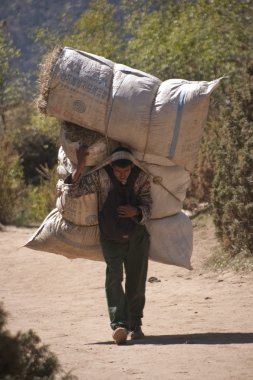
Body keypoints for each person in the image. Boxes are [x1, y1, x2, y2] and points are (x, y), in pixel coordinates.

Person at [66, 145, 152, 344]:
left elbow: (148, 205)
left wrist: (136, 212)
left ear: (132, 167)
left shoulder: (141, 177)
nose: (123, 175)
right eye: (118, 171)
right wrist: (80, 165)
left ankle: (136, 325)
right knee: (113, 279)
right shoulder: (100, 177)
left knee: (136, 281)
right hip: (110, 238)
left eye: (126, 171)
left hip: (137, 237)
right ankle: (119, 325)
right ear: (111, 166)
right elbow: (73, 191)